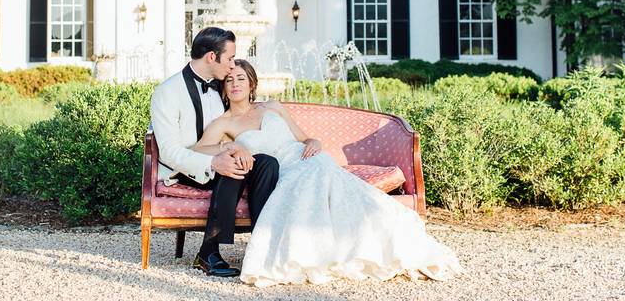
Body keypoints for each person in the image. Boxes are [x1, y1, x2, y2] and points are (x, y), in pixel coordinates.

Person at [196, 59, 462, 287]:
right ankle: (320, 253)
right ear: (223, 87)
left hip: (304, 157)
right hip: (282, 171)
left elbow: (305, 139)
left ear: (252, 83)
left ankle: (366, 243)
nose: (235, 84)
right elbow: (197, 149)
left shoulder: (273, 107)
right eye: (229, 80)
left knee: (323, 167)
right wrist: (229, 145)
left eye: (241, 78)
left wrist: (314, 143)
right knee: (308, 180)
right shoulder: (225, 123)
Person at [149, 28, 280, 277]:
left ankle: (262, 246)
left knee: (267, 163)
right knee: (232, 168)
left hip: (222, 155)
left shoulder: (223, 84)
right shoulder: (167, 92)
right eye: (230, 58)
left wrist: (234, 147)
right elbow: (168, 152)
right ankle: (208, 253)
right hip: (186, 168)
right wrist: (213, 162)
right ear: (212, 57)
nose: (232, 66)